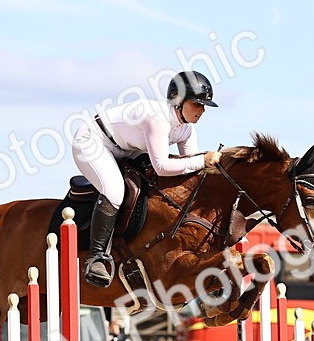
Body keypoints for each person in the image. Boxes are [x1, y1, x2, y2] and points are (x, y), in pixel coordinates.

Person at [71, 70, 222, 287]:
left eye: (204, 105)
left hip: (125, 149)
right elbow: (162, 166)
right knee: (115, 190)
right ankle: (95, 258)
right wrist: (203, 160)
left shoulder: (186, 129)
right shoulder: (157, 118)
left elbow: (191, 170)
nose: (202, 110)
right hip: (93, 141)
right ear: (179, 101)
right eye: (197, 104)